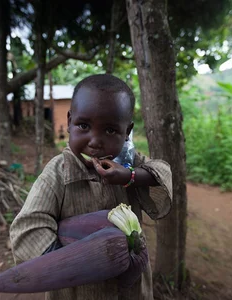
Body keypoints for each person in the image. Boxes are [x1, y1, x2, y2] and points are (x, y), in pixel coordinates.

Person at [10, 74, 173, 300]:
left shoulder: (128, 162)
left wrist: (129, 176)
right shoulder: (58, 172)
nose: (95, 141)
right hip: (75, 290)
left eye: (110, 130)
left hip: (129, 289)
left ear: (127, 131)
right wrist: (72, 261)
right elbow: (28, 227)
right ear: (69, 122)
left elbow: (162, 173)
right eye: (84, 125)